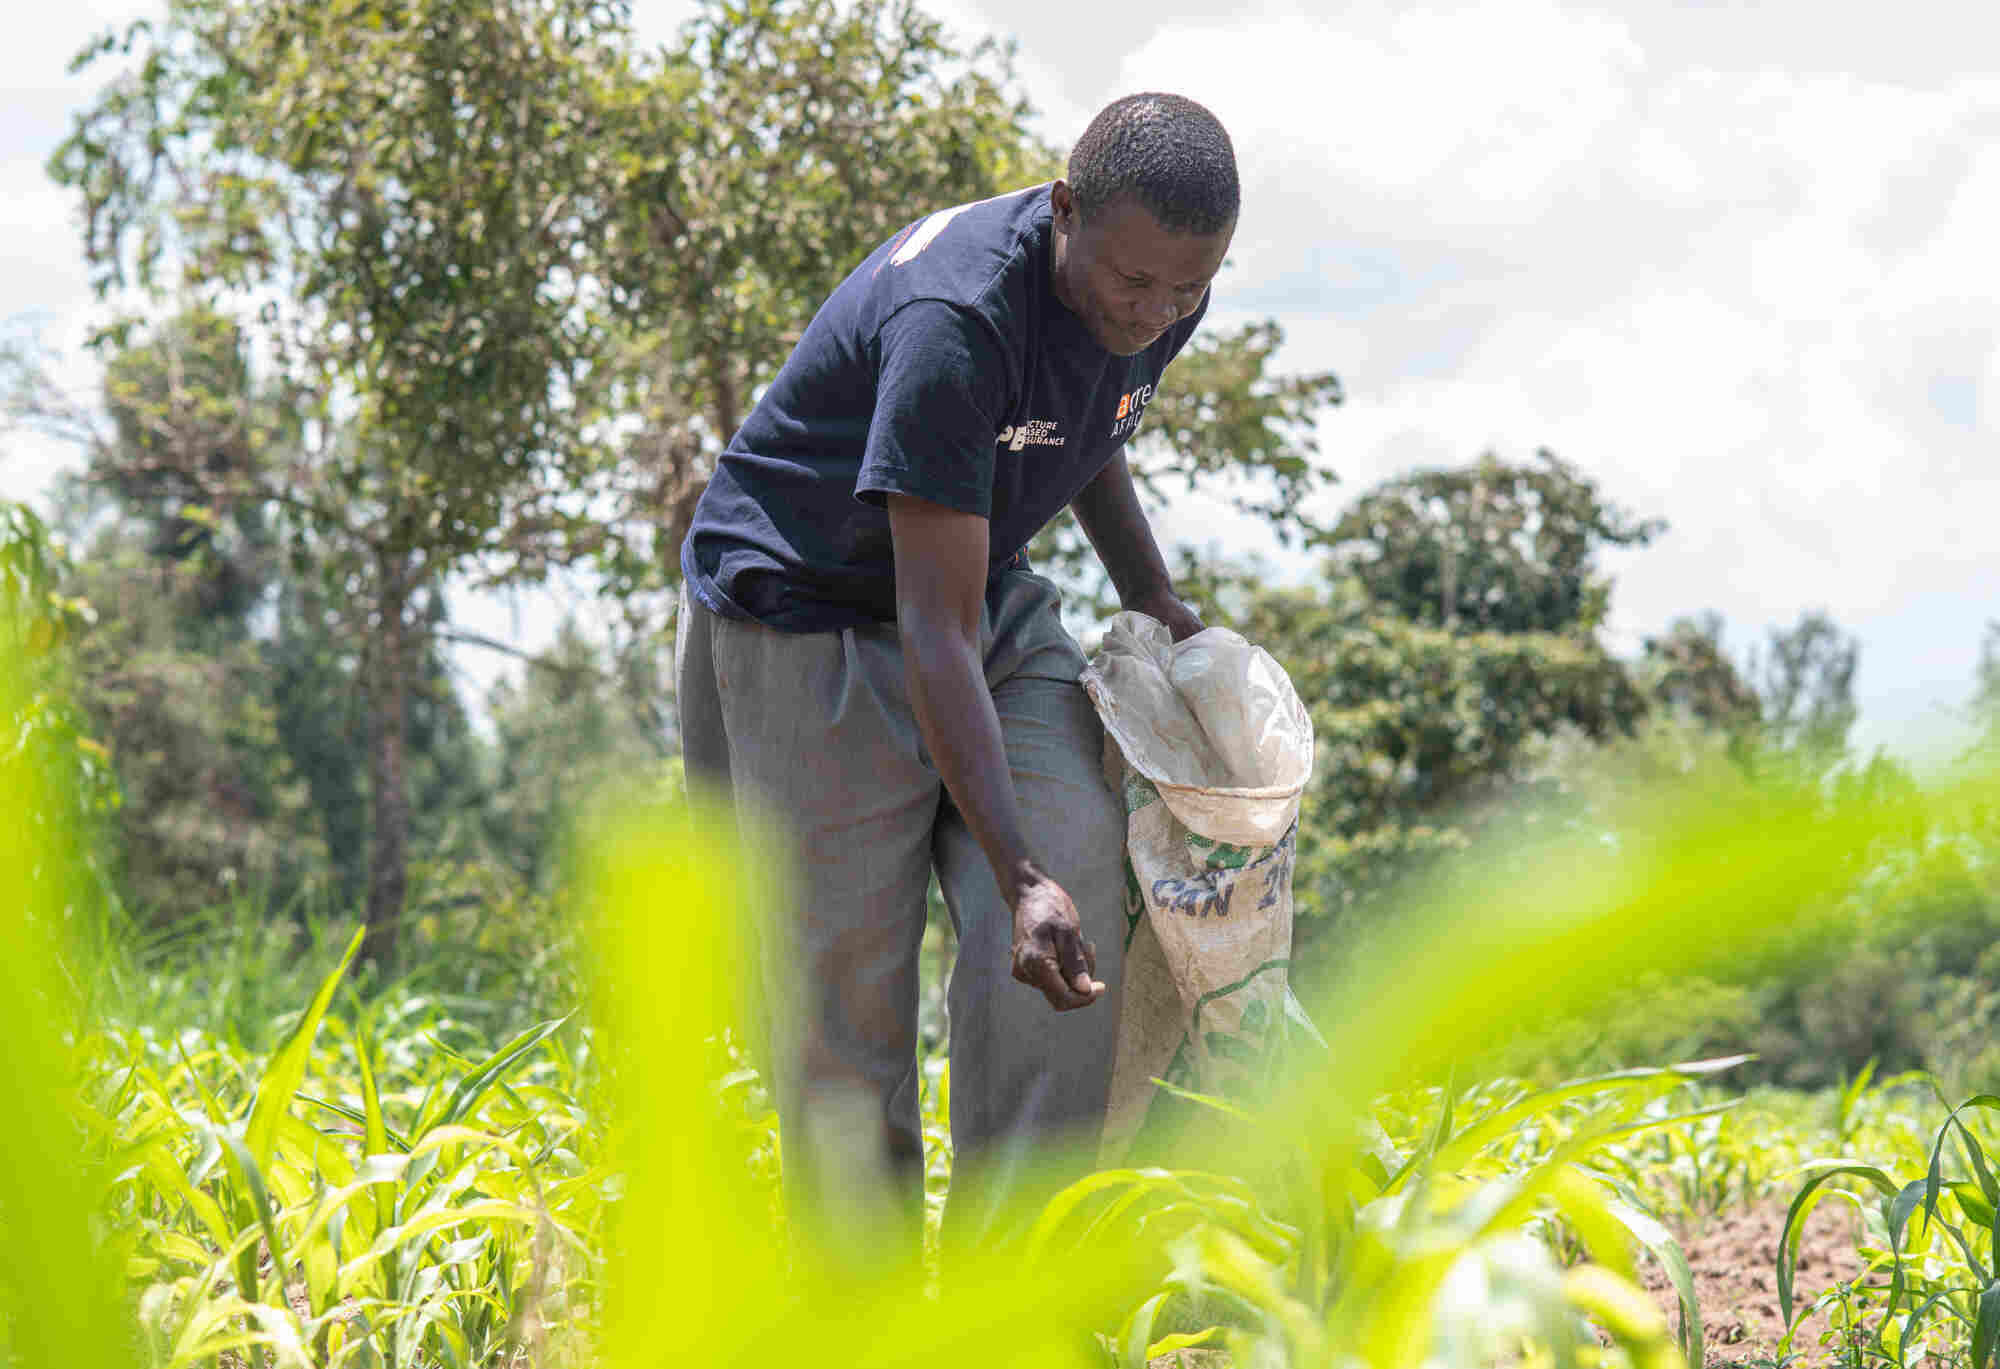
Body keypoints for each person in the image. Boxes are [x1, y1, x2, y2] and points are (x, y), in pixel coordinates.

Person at [675, 91, 1238, 1262]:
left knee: (1079, 866)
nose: (1157, 312)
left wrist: (1156, 601)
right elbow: (929, 632)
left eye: (1186, 289)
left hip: (975, 584)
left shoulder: (1161, 277)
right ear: (1064, 209)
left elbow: (1087, 426)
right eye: (1135, 283)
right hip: (814, 617)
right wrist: (1011, 869)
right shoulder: (956, 318)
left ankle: (1006, 1292)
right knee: (847, 986)